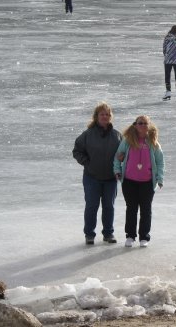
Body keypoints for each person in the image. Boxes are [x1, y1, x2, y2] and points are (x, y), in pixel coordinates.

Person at [73, 102, 122, 245]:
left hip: (110, 178)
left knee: (109, 206)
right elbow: (77, 151)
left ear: (110, 117)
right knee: (91, 206)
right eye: (102, 114)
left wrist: (121, 163)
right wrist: (87, 163)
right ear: (96, 116)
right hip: (91, 177)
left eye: (107, 114)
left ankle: (108, 233)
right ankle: (89, 234)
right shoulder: (88, 134)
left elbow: (124, 154)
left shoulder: (117, 135)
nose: (105, 116)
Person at [113, 115, 164, 248]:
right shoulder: (128, 141)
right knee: (131, 209)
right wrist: (117, 171)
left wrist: (160, 178)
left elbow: (160, 162)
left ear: (149, 125)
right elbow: (117, 157)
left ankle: (144, 237)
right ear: (135, 125)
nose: (142, 125)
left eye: (145, 123)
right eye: (139, 123)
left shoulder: (153, 142)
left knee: (146, 210)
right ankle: (130, 236)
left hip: (147, 182)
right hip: (129, 181)